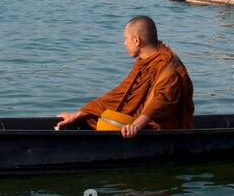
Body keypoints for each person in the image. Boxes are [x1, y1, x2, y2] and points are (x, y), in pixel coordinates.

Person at [55, 16, 194, 137]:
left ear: (137, 40)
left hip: (161, 128)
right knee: (93, 118)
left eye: (125, 39)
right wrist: (80, 113)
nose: (124, 43)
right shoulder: (143, 63)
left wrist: (136, 125)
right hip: (142, 122)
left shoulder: (169, 68)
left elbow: (161, 100)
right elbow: (121, 93)